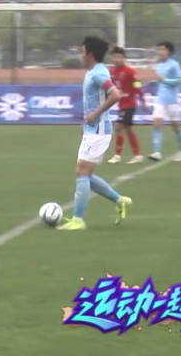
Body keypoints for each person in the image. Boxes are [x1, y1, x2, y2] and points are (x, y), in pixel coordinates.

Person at [57, 36, 134, 231]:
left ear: (90, 53)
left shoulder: (98, 73)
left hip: (99, 129)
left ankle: (78, 220)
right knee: (84, 172)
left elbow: (115, 95)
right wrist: (87, 122)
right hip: (93, 128)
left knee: (82, 170)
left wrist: (95, 114)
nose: (81, 55)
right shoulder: (94, 71)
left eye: (82, 51)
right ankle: (119, 200)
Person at [107, 46, 147, 164]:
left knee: (118, 127)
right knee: (128, 130)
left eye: (120, 57)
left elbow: (137, 85)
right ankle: (137, 155)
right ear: (112, 58)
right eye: (115, 57)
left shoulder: (130, 71)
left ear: (124, 58)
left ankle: (117, 155)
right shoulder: (111, 72)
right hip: (121, 104)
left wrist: (142, 100)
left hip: (130, 104)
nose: (117, 59)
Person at [149, 41, 181, 162]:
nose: (161, 52)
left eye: (163, 49)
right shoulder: (159, 65)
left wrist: (164, 80)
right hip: (160, 99)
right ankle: (157, 152)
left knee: (176, 127)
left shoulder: (174, 65)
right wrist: (153, 82)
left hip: (172, 100)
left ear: (169, 51)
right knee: (156, 123)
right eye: (160, 49)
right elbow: (160, 81)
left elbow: (179, 80)